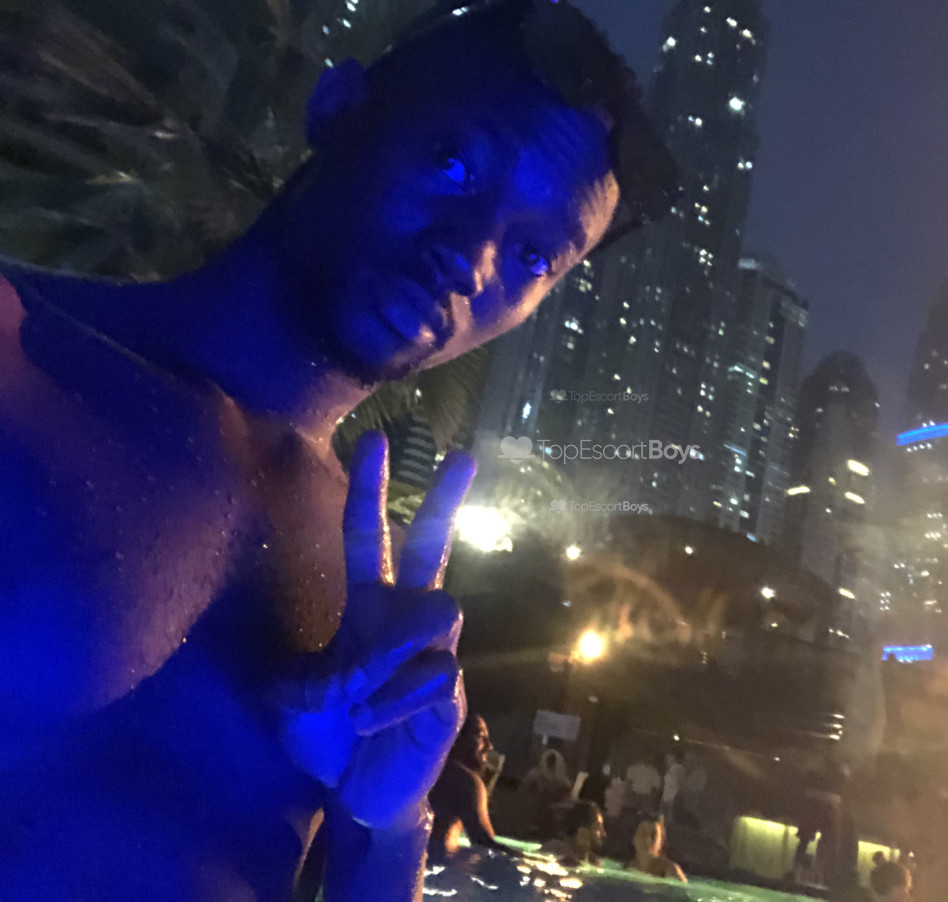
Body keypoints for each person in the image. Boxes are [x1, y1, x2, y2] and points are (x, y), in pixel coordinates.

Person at [0, 0, 675, 897]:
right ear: (337, 107)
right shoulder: (22, 356)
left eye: (534, 257)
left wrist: (384, 823)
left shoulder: (372, 590)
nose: (472, 256)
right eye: (453, 160)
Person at [427, 714, 515, 862]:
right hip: (438, 865)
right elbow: (484, 844)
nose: (489, 746)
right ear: (456, 739)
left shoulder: (424, 772)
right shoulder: (465, 781)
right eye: (480, 736)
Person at [520, 747, 574, 837]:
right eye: (549, 762)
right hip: (528, 823)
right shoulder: (533, 778)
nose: (551, 766)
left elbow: (565, 807)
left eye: (553, 763)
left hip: (551, 828)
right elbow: (522, 798)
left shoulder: (564, 785)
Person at [544, 801, 606, 867]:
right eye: (597, 828)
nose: (604, 834)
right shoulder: (553, 850)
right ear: (582, 831)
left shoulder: (594, 862)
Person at [627, 816, 687, 882]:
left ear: (661, 841)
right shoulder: (627, 868)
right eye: (643, 833)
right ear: (634, 838)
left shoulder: (670, 871)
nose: (648, 840)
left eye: (653, 835)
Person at [661, 752, 686, 820]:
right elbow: (681, 780)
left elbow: (680, 780)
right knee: (668, 805)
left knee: (668, 805)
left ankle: (667, 819)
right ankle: (668, 819)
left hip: (671, 788)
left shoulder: (677, 768)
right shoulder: (679, 768)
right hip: (671, 788)